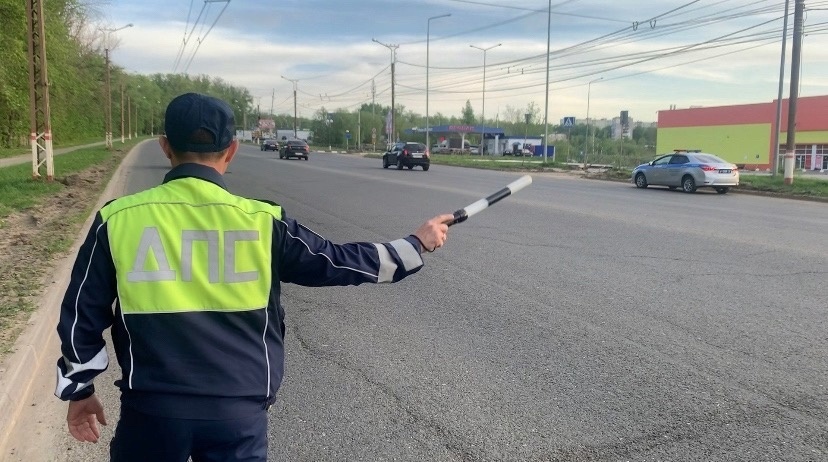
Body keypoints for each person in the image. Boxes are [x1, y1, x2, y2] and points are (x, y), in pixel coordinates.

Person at [54, 92, 452, 461]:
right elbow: (338, 261)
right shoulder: (265, 221)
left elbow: (82, 314)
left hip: (151, 413)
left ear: (164, 146)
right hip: (238, 418)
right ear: (232, 150)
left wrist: (80, 389)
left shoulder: (117, 218)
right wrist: (414, 244)